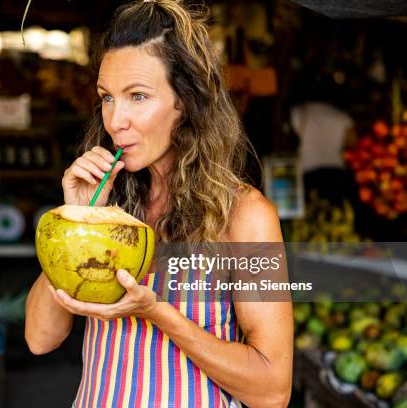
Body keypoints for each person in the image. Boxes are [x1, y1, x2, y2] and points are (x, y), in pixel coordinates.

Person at [25, 1, 293, 407]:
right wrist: (77, 219)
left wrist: (156, 312)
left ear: (183, 102)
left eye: (137, 96)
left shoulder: (244, 216)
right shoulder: (108, 204)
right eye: (107, 98)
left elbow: (273, 391)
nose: (115, 121)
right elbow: (39, 339)